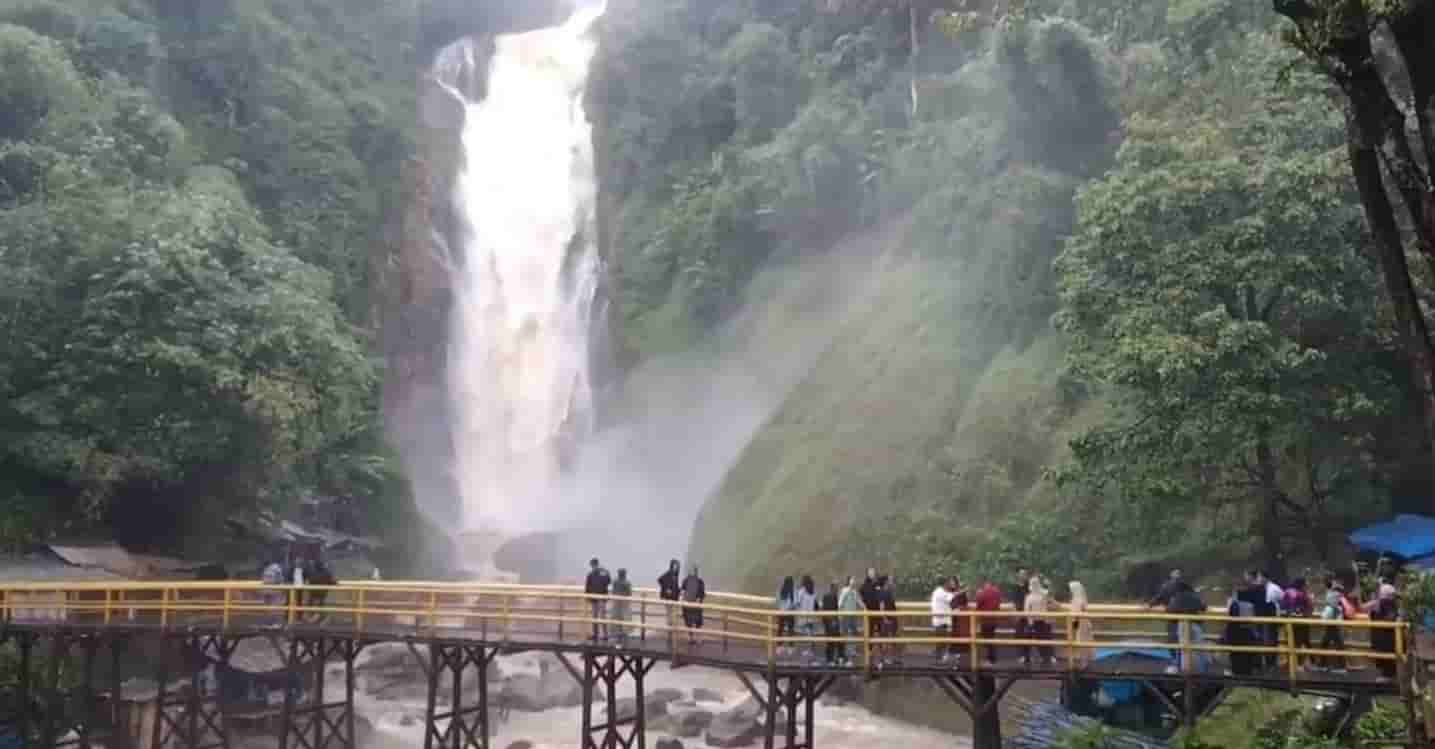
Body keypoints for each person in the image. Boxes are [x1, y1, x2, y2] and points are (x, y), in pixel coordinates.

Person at [1363, 582, 1399, 680]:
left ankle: (1387, 675)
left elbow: (1390, 617)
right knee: (1384, 655)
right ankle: (1387, 674)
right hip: (1382, 634)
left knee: (1386, 655)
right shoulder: (1383, 603)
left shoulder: (1385, 603)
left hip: (1384, 635)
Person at [1315, 577, 1348, 673]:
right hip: (1332, 621)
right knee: (1328, 643)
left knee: (1334, 644)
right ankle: (1323, 664)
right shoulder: (1333, 592)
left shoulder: (1334, 593)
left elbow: (1333, 606)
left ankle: (1340, 667)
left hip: (1333, 621)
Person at [1282, 578, 1314, 670]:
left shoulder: (1287, 592)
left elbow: (1283, 606)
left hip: (1290, 621)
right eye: (1305, 584)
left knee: (1291, 642)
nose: (1307, 586)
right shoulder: (1303, 595)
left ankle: (1290, 663)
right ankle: (1301, 664)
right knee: (1303, 642)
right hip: (1302, 622)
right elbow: (1310, 608)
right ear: (1302, 585)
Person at [1023, 578, 1055, 666]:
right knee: (1030, 639)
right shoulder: (1031, 596)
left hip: (1041, 621)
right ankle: (1029, 657)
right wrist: (1030, 622)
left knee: (1043, 639)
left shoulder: (1042, 595)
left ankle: (1045, 657)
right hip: (1036, 621)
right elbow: (1027, 610)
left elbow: (1051, 599)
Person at [974, 579, 1003, 666]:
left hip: (986, 620)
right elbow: (999, 603)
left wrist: (978, 594)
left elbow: (978, 604)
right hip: (994, 619)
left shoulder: (983, 593)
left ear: (985, 584)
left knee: (987, 639)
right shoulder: (997, 591)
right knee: (991, 638)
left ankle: (991, 659)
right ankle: (992, 659)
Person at [838, 576, 863, 665]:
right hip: (846, 615)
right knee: (847, 633)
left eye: (854, 580)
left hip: (853, 615)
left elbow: (858, 601)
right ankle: (846, 653)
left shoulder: (854, 591)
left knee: (853, 633)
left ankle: (852, 650)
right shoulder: (845, 590)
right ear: (848, 581)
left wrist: (864, 608)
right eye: (852, 580)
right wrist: (840, 613)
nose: (854, 581)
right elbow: (840, 603)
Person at [585, 558, 612, 641]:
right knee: (595, 617)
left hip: (601, 598)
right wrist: (588, 596)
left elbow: (608, 581)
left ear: (596, 564)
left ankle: (605, 635)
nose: (593, 567)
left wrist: (605, 573)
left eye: (593, 565)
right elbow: (588, 586)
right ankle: (596, 634)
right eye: (592, 566)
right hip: (595, 598)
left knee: (602, 617)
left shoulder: (602, 572)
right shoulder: (591, 574)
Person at [930, 578, 956, 663]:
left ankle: (939, 660)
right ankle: (938, 661)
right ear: (946, 584)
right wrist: (961, 592)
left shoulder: (939, 592)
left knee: (942, 642)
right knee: (941, 643)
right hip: (941, 621)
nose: (952, 585)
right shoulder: (941, 593)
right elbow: (952, 599)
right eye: (950, 583)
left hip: (941, 621)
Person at [1068, 580, 1092, 667]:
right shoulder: (1079, 599)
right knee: (1084, 643)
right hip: (1083, 623)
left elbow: (1076, 615)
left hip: (1082, 625)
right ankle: (1086, 662)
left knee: (1082, 643)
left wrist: (1074, 626)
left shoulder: (1078, 600)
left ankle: (1084, 663)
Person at [681, 564, 706, 645]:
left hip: (692, 605)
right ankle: (693, 639)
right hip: (690, 605)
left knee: (695, 622)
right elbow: (682, 591)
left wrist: (698, 600)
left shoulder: (697, 581)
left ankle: (696, 639)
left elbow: (701, 593)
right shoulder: (689, 580)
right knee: (692, 623)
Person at [795, 576, 819, 660]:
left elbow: (797, 602)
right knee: (810, 632)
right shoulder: (813, 591)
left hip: (804, 615)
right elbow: (816, 604)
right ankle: (810, 650)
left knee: (807, 633)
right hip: (811, 616)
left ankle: (809, 651)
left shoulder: (802, 591)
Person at [821, 581, 843, 666]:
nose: (837, 590)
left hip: (827, 621)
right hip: (832, 621)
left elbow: (824, 609)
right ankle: (837, 658)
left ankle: (830, 659)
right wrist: (835, 621)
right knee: (836, 641)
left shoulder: (826, 596)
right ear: (833, 588)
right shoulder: (833, 597)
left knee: (830, 641)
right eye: (836, 588)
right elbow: (835, 609)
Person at [776, 576, 797, 656]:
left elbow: (777, 601)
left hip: (781, 613)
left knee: (780, 630)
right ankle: (790, 648)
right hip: (790, 613)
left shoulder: (781, 590)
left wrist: (780, 608)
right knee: (790, 630)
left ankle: (779, 647)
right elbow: (795, 603)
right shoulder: (793, 591)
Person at [611, 569, 633, 646]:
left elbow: (613, 591)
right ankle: (624, 635)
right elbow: (629, 593)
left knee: (616, 618)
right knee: (625, 618)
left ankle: (617, 635)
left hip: (616, 602)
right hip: (624, 603)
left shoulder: (614, 582)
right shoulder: (627, 583)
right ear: (625, 574)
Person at [658, 559, 682, 631]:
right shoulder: (669, 573)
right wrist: (666, 589)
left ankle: (671, 627)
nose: (676, 567)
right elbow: (660, 580)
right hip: (668, 597)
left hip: (674, 597)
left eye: (677, 566)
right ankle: (670, 627)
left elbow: (675, 585)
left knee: (673, 612)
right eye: (675, 565)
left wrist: (679, 590)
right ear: (672, 566)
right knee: (669, 612)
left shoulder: (675, 574)